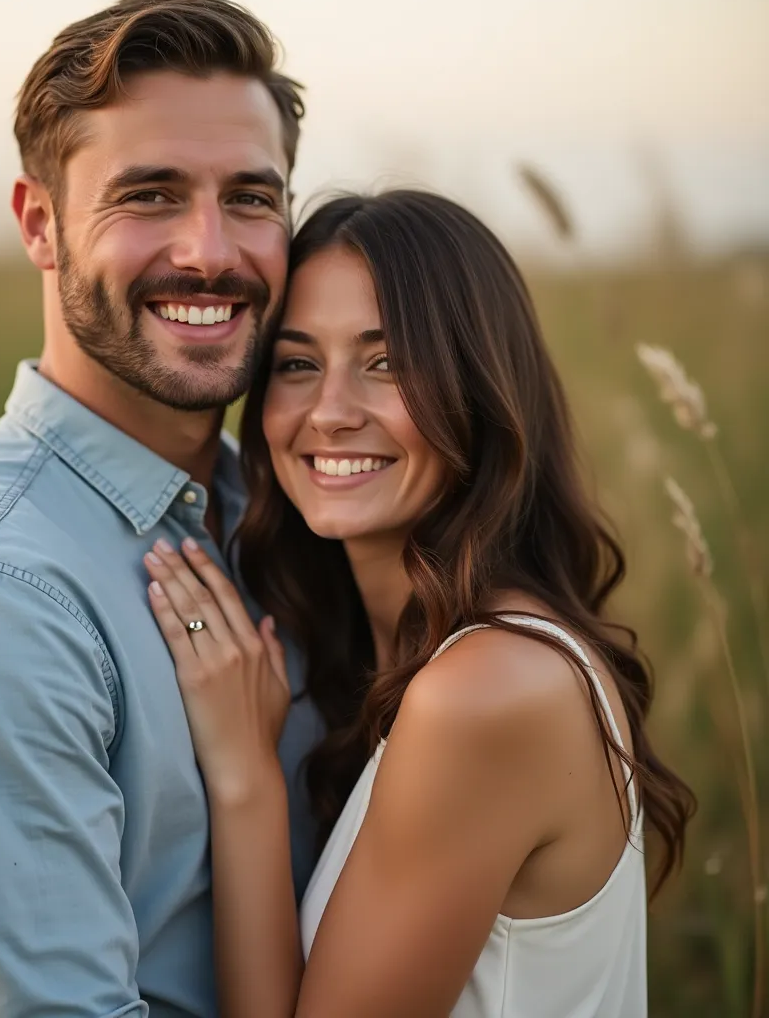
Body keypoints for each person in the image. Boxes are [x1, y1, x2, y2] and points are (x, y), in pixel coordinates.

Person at [0, 0, 321, 1015]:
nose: (210, 252)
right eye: (152, 195)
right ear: (39, 224)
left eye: (251, 198)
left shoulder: (280, 513)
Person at [145, 189, 697, 1017]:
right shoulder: (443, 659)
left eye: (388, 362)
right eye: (297, 364)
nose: (330, 413)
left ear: (477, 387)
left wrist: (244, 780)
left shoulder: (486, 692)